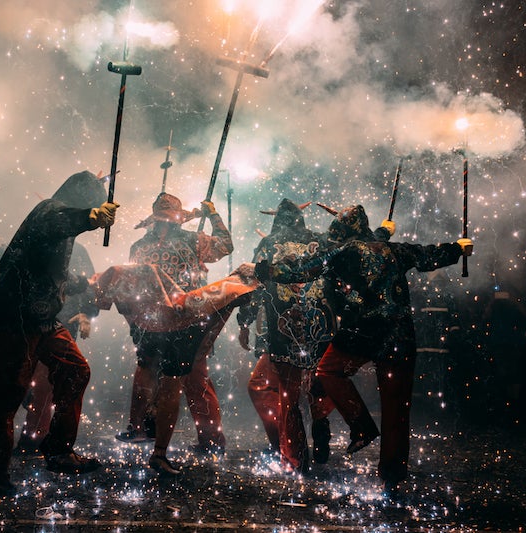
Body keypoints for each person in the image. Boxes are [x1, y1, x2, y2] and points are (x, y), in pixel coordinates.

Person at [255, 204, 473, 498]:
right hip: (400, 336)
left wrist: (268, 269)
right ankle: (392, 480)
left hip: (363, 333)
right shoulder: (394, 250)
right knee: (397, 411)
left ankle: (361, 425)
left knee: (329, 371)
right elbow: (428, 255)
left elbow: (303, 269)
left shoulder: (342, 252)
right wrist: (458, 248)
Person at [0, 170, 117, 496]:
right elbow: (59, 221)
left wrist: (83, 284)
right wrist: (90, 217)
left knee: (75, 371)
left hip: (45, 320)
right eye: (92, 203)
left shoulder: (59, 230)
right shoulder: (50, 210)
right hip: (17, 320)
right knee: (6, 395)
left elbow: (47, 269)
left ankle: (59, 450)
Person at [0, 224, 99, 454]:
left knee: (46, 382)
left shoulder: (77, 251)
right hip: (27, 322)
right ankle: (20, 445)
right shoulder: (37, 243)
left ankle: (36, 437)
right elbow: (5, 254)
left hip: (60, 322)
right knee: (22, 383)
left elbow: (88, 286)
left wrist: (87, 312)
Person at [117, 192, 232, 470]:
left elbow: (129, 288)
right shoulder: (192, 240)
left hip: (150, 323)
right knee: (191, 379)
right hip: (185, 323)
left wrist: (134, 321)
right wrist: (213, 214)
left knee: (153, 375)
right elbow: (226, 245)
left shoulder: (138, 246)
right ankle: (206, 440)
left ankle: (144, 428)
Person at [236, 199, 336, 473]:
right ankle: (319, 418)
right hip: (319, 328)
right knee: (316, 383)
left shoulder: (269, 244)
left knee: (276, 391)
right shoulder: (320, 242)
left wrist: (244, 321)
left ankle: (293, 455)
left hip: (282, 329)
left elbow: (255, 286)